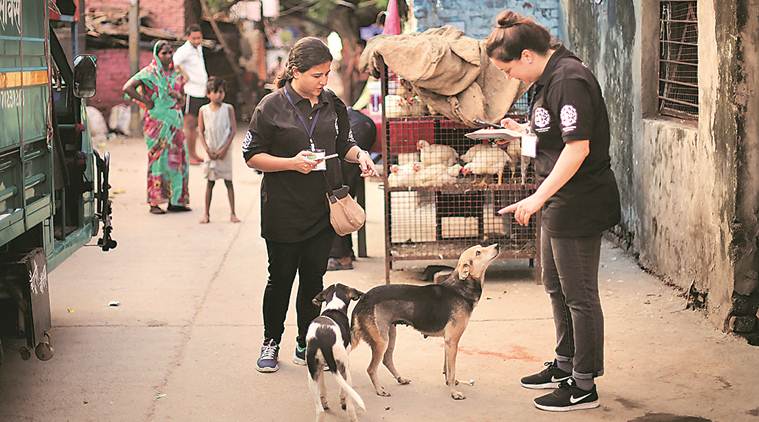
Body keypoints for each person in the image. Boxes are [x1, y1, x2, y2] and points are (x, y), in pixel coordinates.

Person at [486, 10, 621, 412]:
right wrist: (519, 132)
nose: (509, 77)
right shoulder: (545, 80)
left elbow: (578, 148)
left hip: (578, 199)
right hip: (558, 197)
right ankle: (565, 364)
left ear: (527, 56)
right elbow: (554, 135)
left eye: (507, 68)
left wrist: (537, 197)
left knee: (579, 295)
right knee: (555, 287)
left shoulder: (569, 80)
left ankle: (584, 384)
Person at [243, 37, 377, 373]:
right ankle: (271, 341)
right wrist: (291, 163)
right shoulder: (270, 107)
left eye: (326, 74)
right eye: (317, 75)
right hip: (283, 209)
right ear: (295, 71)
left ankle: (305, 340)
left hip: (323, 208)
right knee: (281, 279)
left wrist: (360, 156)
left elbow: (343, 142)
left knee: (313, 280)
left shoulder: (332, 103)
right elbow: (251, 156)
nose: (324, 81)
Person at [123, 40, 191, 215]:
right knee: (158, 160)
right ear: (156, 55)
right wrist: (146, 101)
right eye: (164, 53)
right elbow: (127, 87)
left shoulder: (177, 74)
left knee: (178, 159)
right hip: (156, 123)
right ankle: (155, 202)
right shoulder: (149, 73)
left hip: (175, 122)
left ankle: (176, 201)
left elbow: (182, 100)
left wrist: (177, 95)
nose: (168, 56)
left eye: (170, 52)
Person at [326, 108, 376, 271]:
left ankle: (341, 256)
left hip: (356, 130)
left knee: (336, 198)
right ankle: (345, 252)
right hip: (358, 125)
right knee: (337, 195)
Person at [198, 77, 239, 224]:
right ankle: (206, 214)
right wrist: (207, 150)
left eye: (221, 92)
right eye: (215, 92)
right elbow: (201, 132)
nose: (219, 95)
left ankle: (233, 213)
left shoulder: (228, 109)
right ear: (208, 94)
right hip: (211, 151)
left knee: (229, 182)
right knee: (210, 183)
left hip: (224, 152)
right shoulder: (203, 110)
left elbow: (233, 130)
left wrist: (224, 149)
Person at [173, 24, 208, 165]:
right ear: (188, 37)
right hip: (190, 92)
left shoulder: (198, 48)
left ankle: (194, 154)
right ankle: (188, 157)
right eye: (194, 38)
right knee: (189, 125)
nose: (197, 40)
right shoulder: (184, 50)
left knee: (196, 127)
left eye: (199, 38)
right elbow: (174, 63)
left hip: (201, 91)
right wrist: (184, 75)